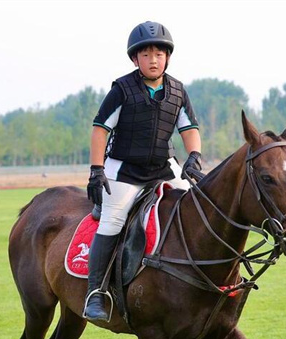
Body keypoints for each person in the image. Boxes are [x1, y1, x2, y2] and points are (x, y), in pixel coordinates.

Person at [82, 21, 202, 322]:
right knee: (112, 220)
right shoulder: (121, 89)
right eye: (146, 55)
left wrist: (194, 157)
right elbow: (100, 129)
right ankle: (96, 292)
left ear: (167, 58)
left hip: (164, 168)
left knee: (198, 207)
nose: (153, 60)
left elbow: (189, 128)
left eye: (159, 54)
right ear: (135, 59)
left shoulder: (178, 90)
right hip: (124, 171)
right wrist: (97, 170)